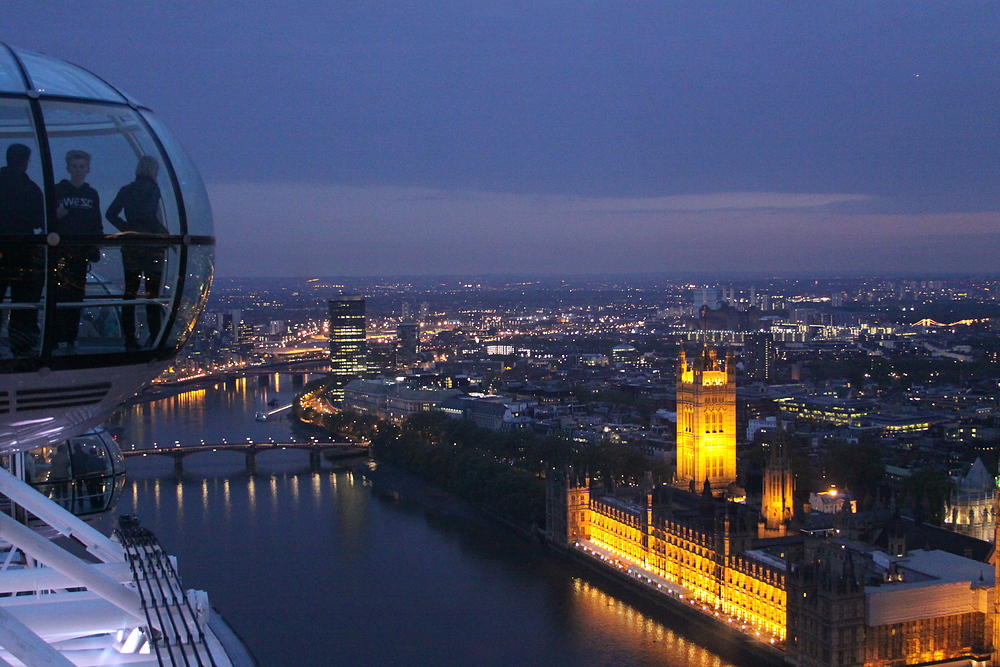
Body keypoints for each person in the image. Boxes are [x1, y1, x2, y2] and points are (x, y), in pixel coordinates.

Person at [105, 155, 168, 350]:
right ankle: (156, 337)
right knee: (152, 295)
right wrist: (164, 235)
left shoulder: (126, 190)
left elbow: (110, 213)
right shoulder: (153, 190)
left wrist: (127, 229)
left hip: (131, 248)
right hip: (151, 247)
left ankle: (130, 339)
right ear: (152, 171)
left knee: (130, 293)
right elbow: (150, 217)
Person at [52, 150, 102, 351]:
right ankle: (58, 337)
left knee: (76, 296)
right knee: (61, 294)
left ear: (87, 169)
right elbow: (48, 218)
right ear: (68, 168)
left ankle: (69, 337)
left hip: (80, 253)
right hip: (62, 252)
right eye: (75, 166)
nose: (78, 170)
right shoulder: (59, 191)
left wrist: (97, 242)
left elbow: (96, 222)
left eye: (81, 166)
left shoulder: (91, 194)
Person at [0, 143, 45, 357]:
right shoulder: (31, 189)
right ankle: (22, 345)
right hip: (24, 252)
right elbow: (39, 221)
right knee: (24, 302)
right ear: (25, 161)